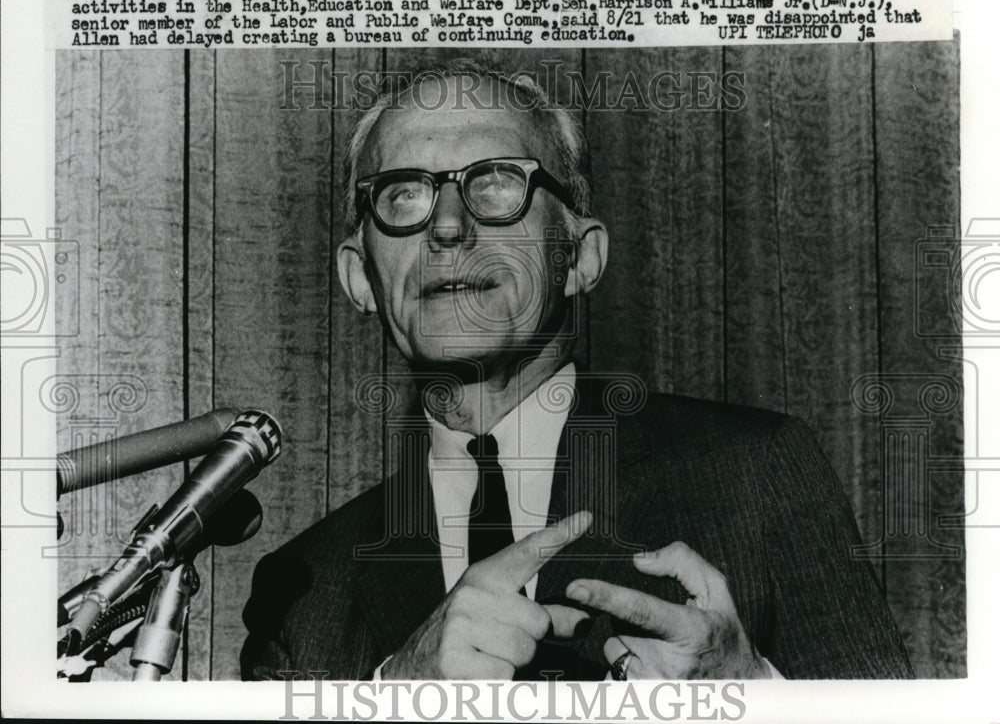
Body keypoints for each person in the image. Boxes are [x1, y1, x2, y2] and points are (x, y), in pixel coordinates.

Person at [241, 60, 913, 681]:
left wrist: (748, 690)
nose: (447, 226)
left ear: (580, 257)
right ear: (359, 277)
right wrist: (393, 694)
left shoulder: (756, 473)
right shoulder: (305, 587)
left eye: (496, 182)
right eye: (404, 195)